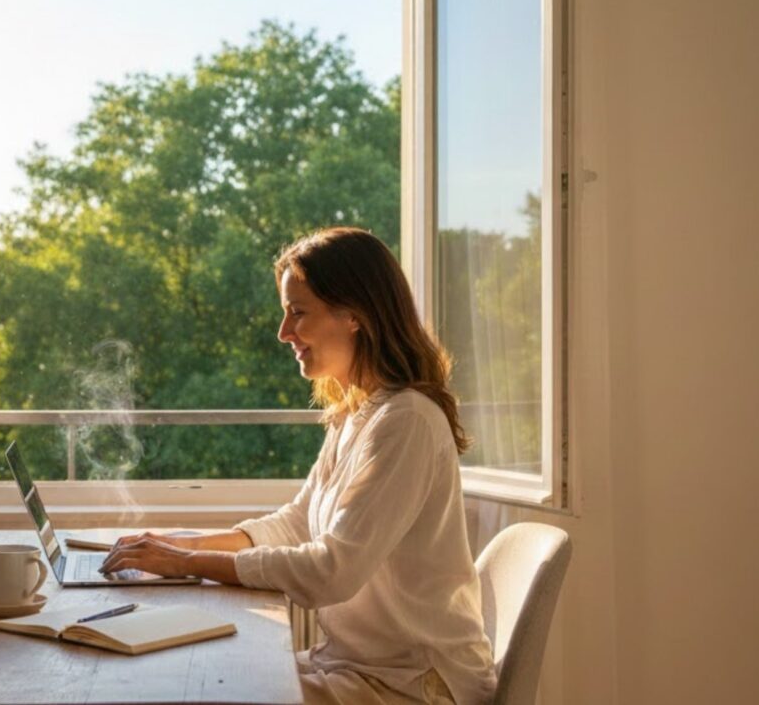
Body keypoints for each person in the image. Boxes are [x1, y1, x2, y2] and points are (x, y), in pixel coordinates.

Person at [100, 228, 497, 705]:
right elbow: (295, 523)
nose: (284, 332)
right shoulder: (356, 412)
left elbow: (332, 570)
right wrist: (177, 545)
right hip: (359, 667)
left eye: (298, 312)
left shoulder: (406, 420)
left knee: (204, 688)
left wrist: (188, 563)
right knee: (203, 676)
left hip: (416, 684)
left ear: (354, 314)